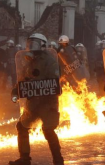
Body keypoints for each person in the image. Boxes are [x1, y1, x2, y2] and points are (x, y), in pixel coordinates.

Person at [9, 33, 64, 165]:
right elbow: (23, 79)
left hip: (47, 103)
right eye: (29, 43)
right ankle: (24, 158)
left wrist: (41, 86)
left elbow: (54, 80)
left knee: (48, 130)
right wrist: (16, 91)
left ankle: (58, 160)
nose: (31, 46)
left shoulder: (50, 61)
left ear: (43, 45)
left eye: (34, 43)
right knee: (22, 127)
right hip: (33, 104)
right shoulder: (29, 62)